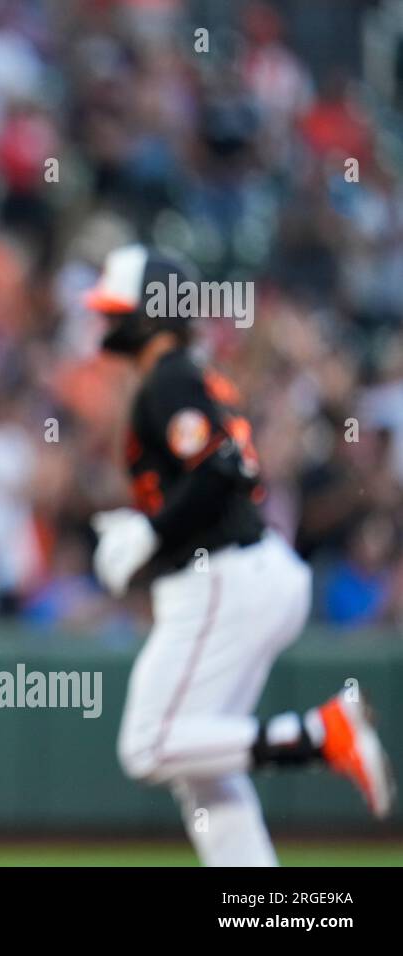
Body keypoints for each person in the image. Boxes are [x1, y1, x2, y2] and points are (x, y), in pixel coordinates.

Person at [86, 244, 394, 866]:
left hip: (223, 577)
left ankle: (317, 735)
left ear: (150, 314)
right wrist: (149, 527)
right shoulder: (186, 375)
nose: (106, 322)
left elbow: (218, 471)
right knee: (204, 768)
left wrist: (149, 534)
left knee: (149, 745)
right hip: (243, 572)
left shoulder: (169, 377)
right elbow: (213, 471)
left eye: (117, 310)